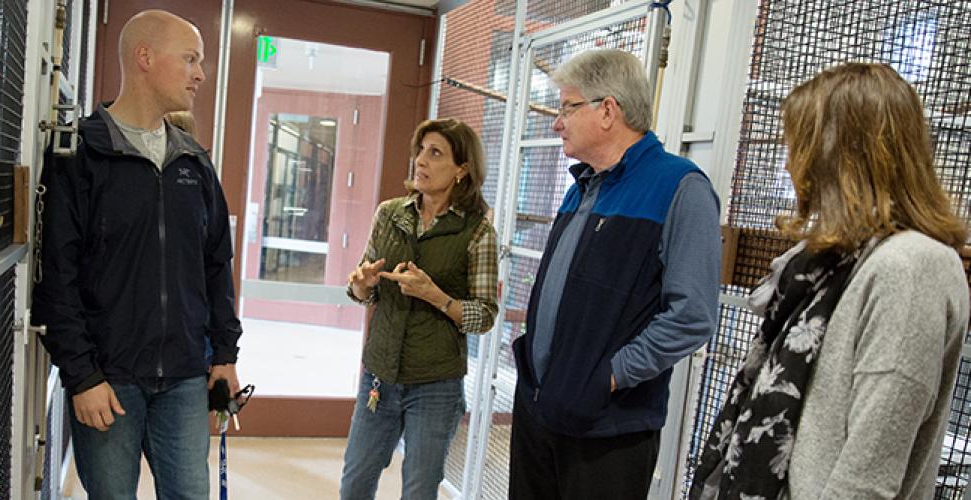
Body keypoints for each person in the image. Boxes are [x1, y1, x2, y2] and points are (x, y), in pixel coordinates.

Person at [689, 63, 970, 499]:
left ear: (840, 154)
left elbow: (869, 472)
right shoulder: (833, 260)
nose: (788, 164)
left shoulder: (912, 266)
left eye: (798, 147)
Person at [31, 10, 241, 499]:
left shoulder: (195, 161)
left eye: (201, 62)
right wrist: (82, 375)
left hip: (186, 377)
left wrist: (225, 355)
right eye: (190, 59)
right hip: (109, 380)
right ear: (144, 58)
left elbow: (216, 265)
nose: (200, 74)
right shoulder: (80, 155)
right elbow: (56, 278)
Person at [509, 48, 722, 499]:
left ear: (608, 110)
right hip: (541, 411)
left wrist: (610, 375)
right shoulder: (583, 185)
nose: (556, 121)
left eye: (566, 107)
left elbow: (692, 316)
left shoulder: (681, 187)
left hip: (608, 428)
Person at [340, 118, 499, 500]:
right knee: (355, 483)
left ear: (462, 169)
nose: (421, 161)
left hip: (436, 384)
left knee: (419, 490)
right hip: (379, 376)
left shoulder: (477, 231)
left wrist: (437, 297)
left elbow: (486, 314)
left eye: (435, 153)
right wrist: (361, 285)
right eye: (420, 151)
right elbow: (365, 291)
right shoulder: (390, 214)